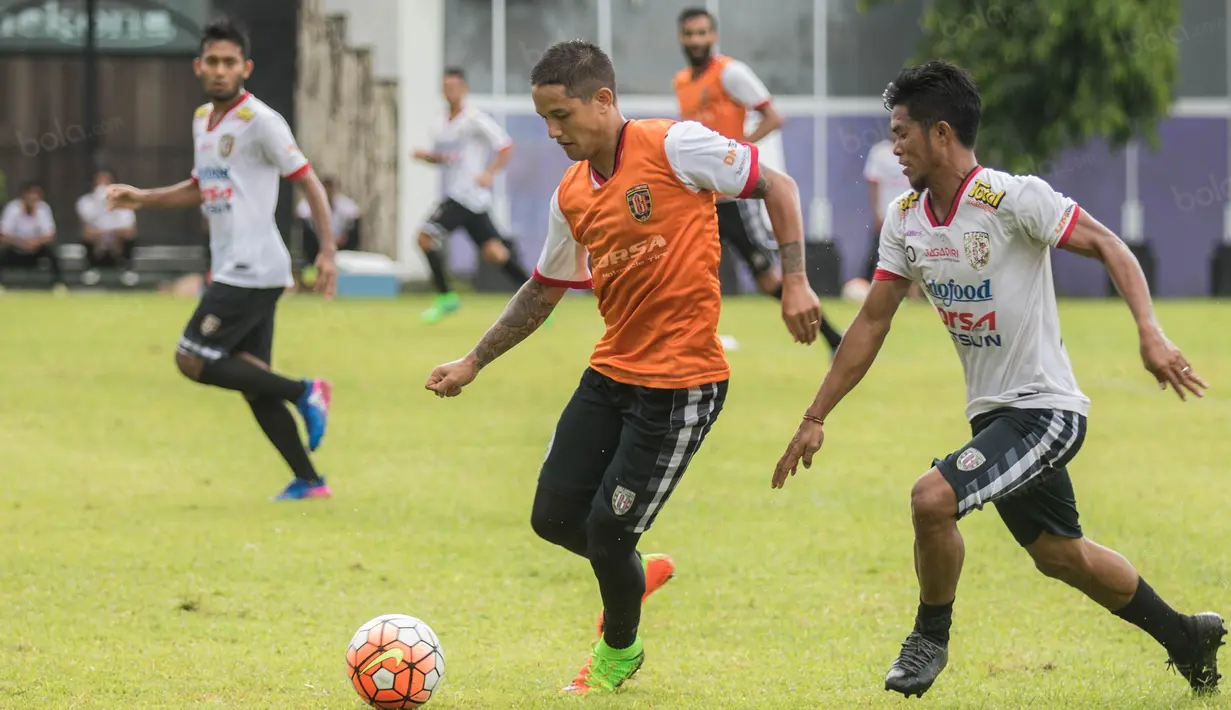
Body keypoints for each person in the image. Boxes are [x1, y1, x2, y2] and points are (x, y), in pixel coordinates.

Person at [773, 60, 1224, 699]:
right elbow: (873, 322)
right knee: (1060, 555)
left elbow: (1112, 247)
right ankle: (1185, 636)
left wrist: (1150, 332)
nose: (893, 147)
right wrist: (816, 416)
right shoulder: (905, 219)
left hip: (1047, 412)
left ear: (941, 134)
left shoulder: (1014, 199)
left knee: (932, 498)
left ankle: (930, 637)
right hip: (995, 416)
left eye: (901, 133)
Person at [425, 40, 821, 695]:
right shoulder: (572, 193)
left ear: (603, 100)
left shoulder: (675, 146)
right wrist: (473, 361)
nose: (552, 133)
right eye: (543, 120)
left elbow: (776, 185)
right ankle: (635, 571)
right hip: (611, 374)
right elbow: (543, 288)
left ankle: (619, 649)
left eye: (562, 116)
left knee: (608, 530)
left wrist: (796, 281)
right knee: (552, 517)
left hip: (682, 384)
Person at [107, 17, 339, 501]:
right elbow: (201, 186)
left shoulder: (262, 121)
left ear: (245, 68)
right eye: (212, 61)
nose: (219, 69)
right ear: (198, 66)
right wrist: (142, 198)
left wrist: (328, 251)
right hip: (239, 265)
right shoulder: (202, 120)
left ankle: (306, 391)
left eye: (229, 62)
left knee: (191, 358)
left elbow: (308, 180)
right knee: (254, 381)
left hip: (254, 267)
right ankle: (309, 481)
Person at [673, 6, 844, 355]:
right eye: (690, 33)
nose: (696, 40)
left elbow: (772, 117)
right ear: (681, 37)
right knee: (683, 268)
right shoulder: (681, 83)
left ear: (714, 36)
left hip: (732, 200)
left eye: (703, 32)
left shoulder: (731, 73)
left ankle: (833, 338)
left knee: (767, 279)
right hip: (699, 198)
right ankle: (688, 346)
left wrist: (734, 154)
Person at [414, 67, 529, 323]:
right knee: (495, 253)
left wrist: (490, 172)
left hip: (465, 196)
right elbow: (449, 159)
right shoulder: (441, 123)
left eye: (454, 87)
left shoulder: (475, 119)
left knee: (424, 238)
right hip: (468, 200)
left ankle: (446, 298)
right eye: (446, 87)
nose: (450, 91)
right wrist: (428, 157)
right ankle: (537, 298)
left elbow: (505, 145)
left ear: (464, 89)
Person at [76, 167, 139, 287]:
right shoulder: (85, 202)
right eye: (100, 181)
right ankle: (91, 269)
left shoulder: (125, 202)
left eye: (107, 181)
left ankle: (128, 270)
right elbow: (86, 231)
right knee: (88, 238)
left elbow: (130, 230)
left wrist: (112, 236)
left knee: (130, 239)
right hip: (98, 246)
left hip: (117, 245)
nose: (103, 185)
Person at [861, 134, 911, 281]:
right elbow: (873, 183)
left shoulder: (914, 150)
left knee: (911, 252)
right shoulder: (880, 152)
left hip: (909, 215)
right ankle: (870, 283)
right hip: (886, 214)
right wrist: (877, 213)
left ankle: (914, 292)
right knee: (879, 252)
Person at [0, 181, 65, 290]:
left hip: (36, 248)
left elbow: (50, 234)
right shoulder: (12, 208)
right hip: (16, 248)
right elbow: (3, 234)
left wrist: (36, 242)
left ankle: (58, 285)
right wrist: (21, 242)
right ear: (23, 196)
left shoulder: (43, 209)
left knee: (52, 253)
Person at [295, 175, 360, 282]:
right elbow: (301, 215)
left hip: (341, 242)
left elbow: (355, 216)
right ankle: (310, 264)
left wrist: (339, 238)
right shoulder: (307, 204)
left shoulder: (345, 205)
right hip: (316, 243)